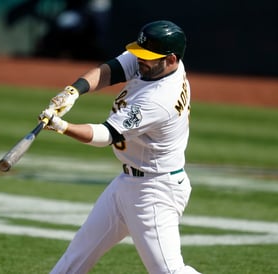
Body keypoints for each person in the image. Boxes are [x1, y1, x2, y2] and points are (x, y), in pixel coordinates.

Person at [39, 20, 201, 274]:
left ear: (171, 59)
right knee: (75, 258)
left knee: (169, 271)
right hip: (128, 183)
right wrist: (73, 91)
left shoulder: (159, 99)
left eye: (148, 57)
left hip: (155, 191)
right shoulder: (155, 64)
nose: (140, 60)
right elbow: (109, 71)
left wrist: (62, 126)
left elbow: (105, 135)